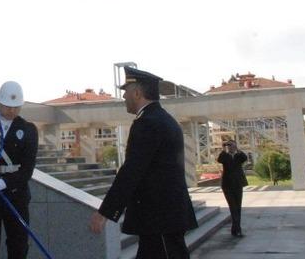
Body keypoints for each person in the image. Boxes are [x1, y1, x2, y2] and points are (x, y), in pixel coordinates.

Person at [89, 66, 197, 258]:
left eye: (126, 92)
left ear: (137, 93)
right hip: (163, 216)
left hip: (159, 218)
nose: (124, 98)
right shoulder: (164, 119)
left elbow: (132, 170)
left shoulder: (147, 123)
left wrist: (105, 212)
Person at [0, 81, 39, 259]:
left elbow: (27, 169)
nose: (11, 111)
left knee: (18, 244)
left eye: (16, 107)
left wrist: (5, 182)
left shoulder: (28, 129)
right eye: (7, 106)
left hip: (16, 193)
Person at [217, 139, 248, 237]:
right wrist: (223, 148)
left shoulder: (239, 156)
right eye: (229, 145)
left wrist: (236, 148)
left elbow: (244, 157)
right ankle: (237, 230)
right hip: (227, 185)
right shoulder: (225, 156)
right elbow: (219, 159)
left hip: (238, 184)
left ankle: (235, 229)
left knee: (238, 207)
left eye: (231, 145)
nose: (230, 147)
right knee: (233, 207)